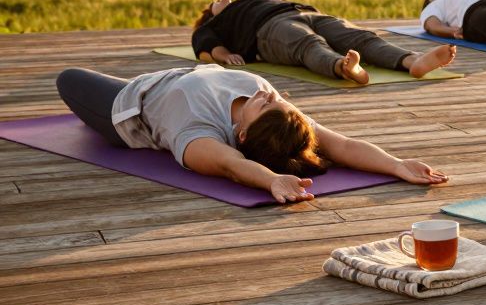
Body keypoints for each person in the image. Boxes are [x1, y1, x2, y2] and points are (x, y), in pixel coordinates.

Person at [55, 64, 448, 203]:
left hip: (127, 107)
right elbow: (342, 145)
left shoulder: (199, 131)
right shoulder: (283, 119)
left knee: (69, 78)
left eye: (265, 104)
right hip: (170, 78)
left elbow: (232, 166)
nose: (268, 94)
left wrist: (272, 180)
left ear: (241, 136)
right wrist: (396, 164)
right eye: (279, 101)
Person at [192, 0, 456, 85]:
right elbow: (204, 45)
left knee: (361, 37)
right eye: (215, 1)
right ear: (210, 13)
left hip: (308, 13)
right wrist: (225, 55)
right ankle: (344, 67)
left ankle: (412, 61)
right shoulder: (216, 23)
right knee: (308, 44)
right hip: (269, 29)